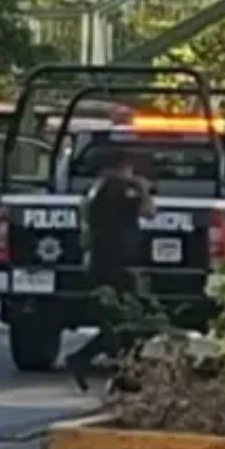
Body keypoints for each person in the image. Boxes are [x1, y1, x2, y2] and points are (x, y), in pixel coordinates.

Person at [69, 150, 155, 391]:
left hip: (100, 261)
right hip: (117, 263)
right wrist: (143, 189)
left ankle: (120, 373)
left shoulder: (96, 190)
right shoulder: (121, 191)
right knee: (125, 323)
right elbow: (149, 212)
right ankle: (83, 360)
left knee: (118, 324)